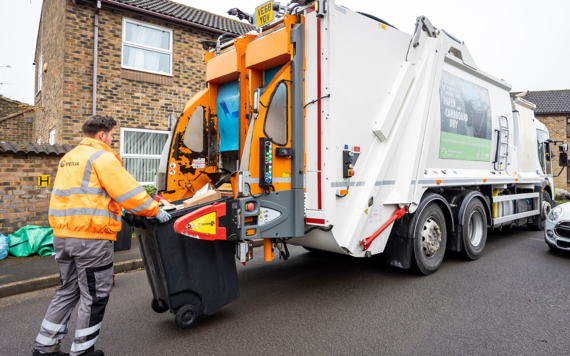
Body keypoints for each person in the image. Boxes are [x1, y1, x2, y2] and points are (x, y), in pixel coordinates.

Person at [32, 115, 172, 356]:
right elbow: (128, 191)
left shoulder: (69, 158)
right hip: (91, 239)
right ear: (101, 135)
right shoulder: (102, 157)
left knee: (68, 290)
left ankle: (44, 347)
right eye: (112, 135)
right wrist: (154, 210)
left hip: (63, 237)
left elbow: (87, 195)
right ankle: (84, 351)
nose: (112, 139)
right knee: (94, 295)